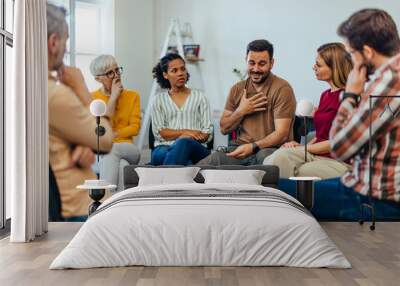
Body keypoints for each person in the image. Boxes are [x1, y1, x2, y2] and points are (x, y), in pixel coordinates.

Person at [47, 4, 113, 221]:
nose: (66, 49)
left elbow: (68, 132)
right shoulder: (56, 95)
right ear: (54, 42)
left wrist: (80, 144)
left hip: (79, 199)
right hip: (79, 207)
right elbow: (104, 138)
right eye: (66, 40)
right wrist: (81, 88)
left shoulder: (35, 90)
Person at [330, 9, 400, 204]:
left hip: (376, 196)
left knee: (282, 191)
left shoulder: (390, 82)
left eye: (352, 53)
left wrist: (350, 95)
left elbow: (340, 148)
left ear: (367, 52)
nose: (352, 61)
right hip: (372, 185)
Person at [197, 39, 296, 166]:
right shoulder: (237, 89)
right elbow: (224, 128)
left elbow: (281, 134)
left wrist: (253, 146)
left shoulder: (282, 89)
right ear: (246, 60)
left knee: (265, 161)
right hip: (239, 149)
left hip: (269, 150)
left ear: (271, 63)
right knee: (202, 167)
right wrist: (241, 111)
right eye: (251, 63)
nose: (255, 68)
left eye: (262, 64)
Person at [264, 43, 353, 179]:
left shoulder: (349, 98)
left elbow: (337, 142)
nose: (314, 67)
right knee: (272, 160)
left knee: (285, 165)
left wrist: (302, 150)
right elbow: (321, 135)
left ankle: (289, 199)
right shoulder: (325, 95)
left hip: (339, 161)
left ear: (335, 67)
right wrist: (300, 146)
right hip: (317, 155)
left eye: (319, 65)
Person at [151, 53, 213, 165]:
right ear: (165, 75)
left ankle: (166, 180)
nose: (180, 73)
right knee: (184, 159)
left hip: (196, 148)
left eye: (182, 69)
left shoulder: (200, 97)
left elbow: (207, 133)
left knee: (184, 144)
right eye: (174, 71)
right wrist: (186, 132)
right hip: (163, 147)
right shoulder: (158, 100)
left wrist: (188, 139)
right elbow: (160, 132)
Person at [90, 55, 141, 192]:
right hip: (102, 153)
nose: (116, 75)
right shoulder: (92, 98)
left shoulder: (133, 96)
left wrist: (115, 134)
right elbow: (101, 129)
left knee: (111, 149)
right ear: (97, 78)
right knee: (122, 165)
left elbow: (135, 128)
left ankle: (105, 198)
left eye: (117, 70)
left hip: (129, 148)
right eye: (110, 73)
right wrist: (113, 98)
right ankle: (116, 205)